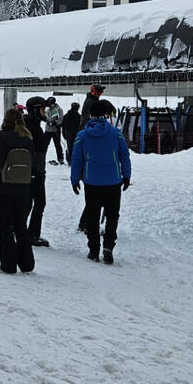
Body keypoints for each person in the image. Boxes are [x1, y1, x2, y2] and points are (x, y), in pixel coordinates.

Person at [70, 101, 132, 264]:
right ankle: (108, 247)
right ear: (105, 115)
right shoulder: (116, 133)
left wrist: (75, 179)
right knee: (112, 215)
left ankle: (94, 250)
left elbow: (76, 159)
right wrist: (126, 176)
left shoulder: (82, 135)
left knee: (92, 216)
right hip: (113, 181)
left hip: (91, 182)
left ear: (90, 115)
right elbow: (124, 155)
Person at [0, 108, 36, 274]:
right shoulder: (28, 139)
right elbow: (33, 163)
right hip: (23, 188)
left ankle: (8, 265)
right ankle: (27, 263)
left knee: (5, 226)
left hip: (2, 187)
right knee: (21, 225)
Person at [23, 96, 51, 247]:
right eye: (42, 109)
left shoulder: (32, 125)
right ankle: (31, 234)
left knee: (30, 203)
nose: (44, 112)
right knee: (38, 202)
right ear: (34, 110)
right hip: (34, 171)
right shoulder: (31, 127)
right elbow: (36, 149)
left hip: (35, 170)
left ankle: (23, 231)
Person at [44, 96, 64, 164]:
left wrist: (54, 123)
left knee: (57, 145)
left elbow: (61, 119)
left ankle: (60, 159)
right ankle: (42, 157)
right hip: (48, 130)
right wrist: (47, 122)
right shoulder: (48, 110)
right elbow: (46, 117)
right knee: (45, 145)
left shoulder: (59, 109)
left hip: (56, 130)